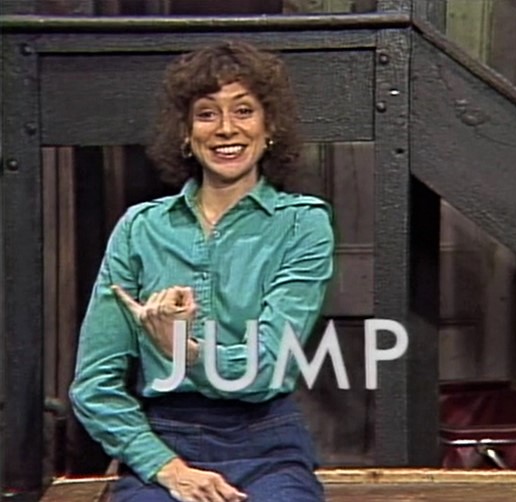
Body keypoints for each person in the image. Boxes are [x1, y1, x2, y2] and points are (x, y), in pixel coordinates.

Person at [69, 41, 334, 502]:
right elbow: (94, 386)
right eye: (207, 114)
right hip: (165, 439)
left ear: (269, 126)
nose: (226, 128)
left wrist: (186, 352)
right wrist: (166, 468)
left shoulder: (302, 224)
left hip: (266, 441)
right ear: (185, 132)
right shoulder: (139, 229)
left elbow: (269, 366)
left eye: (244, 110)